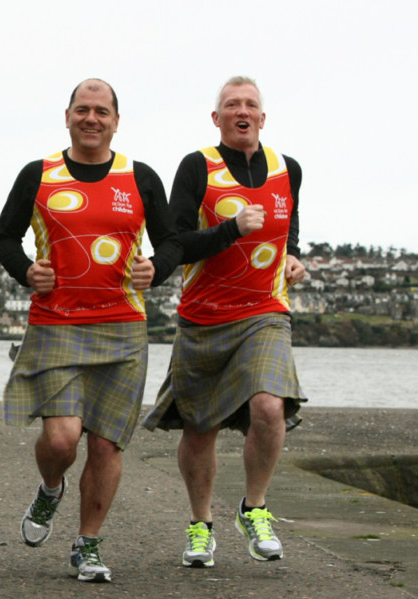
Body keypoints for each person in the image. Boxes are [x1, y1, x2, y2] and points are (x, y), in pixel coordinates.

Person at [0, 78, 180, 583]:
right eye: (83, 109)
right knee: (61, 440)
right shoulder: (38, 174)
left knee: (105, 447)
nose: (91, 118)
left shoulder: (140, 177)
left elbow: (172, 242)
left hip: (122, 327)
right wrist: (26, 271)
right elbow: (4, 236)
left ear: (116, 120)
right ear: (68, 116)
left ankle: (88, 544)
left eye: (102, 110)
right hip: (57, 324)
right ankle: (50, 488)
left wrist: (156, 269)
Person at [142, 76, 308, 568]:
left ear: (262, 117)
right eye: (231, 105)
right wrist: (230, 230)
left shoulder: (288, 169)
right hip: (204, 316)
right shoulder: (198, 167)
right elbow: (176, 241)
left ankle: (254, 508)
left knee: (269, 406)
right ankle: (200, 525)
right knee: (200, 429)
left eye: (250, 104)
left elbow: (289, 227)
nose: (242, 111)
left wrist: (294, 256)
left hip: (265, 312)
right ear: (217, 119)